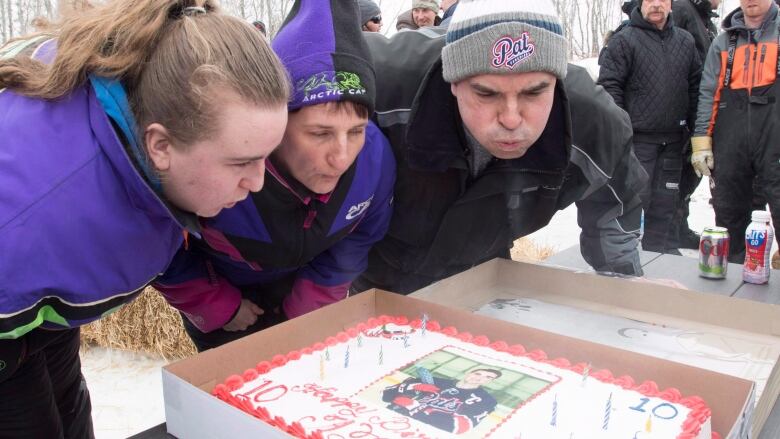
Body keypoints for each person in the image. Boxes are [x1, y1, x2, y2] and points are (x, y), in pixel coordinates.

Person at [0, 0, 289, 436]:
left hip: (44, 312)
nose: (258, 183)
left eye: (266, 157)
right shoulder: (33, 223)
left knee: (70, 412)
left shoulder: (152, 110)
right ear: (159, 146)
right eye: (239, 163)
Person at [355, 0, 647, 295]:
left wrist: (630, 291)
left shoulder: (593, 122)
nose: (511, 119)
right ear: (453, 81)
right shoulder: (384, 82)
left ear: (557, 81)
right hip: (373, 276)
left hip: (483, 277)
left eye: (534, 92)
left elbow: (614, 208)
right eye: (486, 92)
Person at [154, 0, 396, 352]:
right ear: (277, 122)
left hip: (304, 291)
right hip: (224, 293)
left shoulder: (374, 157)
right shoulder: (225, 158)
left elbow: (359, 237)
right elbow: (162, 242)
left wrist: (309, 303)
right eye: (319, 133)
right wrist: (216, 306)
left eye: (356, 130)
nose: (342, 157)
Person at [598, 0, 702, 254]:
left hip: (674, 140)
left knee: (667, 202)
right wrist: (621, 132)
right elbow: (609, 87)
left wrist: (698, 133)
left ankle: (660, 251)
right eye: (649, 0)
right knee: (633, 200)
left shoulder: (686, 41)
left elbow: (696, 88)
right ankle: (625, 253)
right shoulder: (624, 40)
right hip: (637, 141)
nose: (656, 4)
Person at [691, 0, 780, 263]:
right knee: (728, 206)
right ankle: (733, 273)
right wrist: (701, 142)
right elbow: (708, 93)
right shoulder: (723, 42)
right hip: (731, 138)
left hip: (774, 138)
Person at [672, 0, 721, 249]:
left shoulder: (705, 19)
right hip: (682, 106)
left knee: (693, 172)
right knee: (678, 174)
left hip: (701, 108)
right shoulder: (682, 9)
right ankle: (670, 229)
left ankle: (680, 226)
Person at [382, 368, 500, 433]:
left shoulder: (487, 400)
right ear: (468, 372)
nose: (480, 378)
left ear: (491, 382)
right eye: (477, 373)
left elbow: (458, 427)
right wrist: (412, 387)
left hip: (424, 433)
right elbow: (386, 396)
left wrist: (415, 407)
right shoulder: (435, 381)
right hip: (390, 421)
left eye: (488, 377)